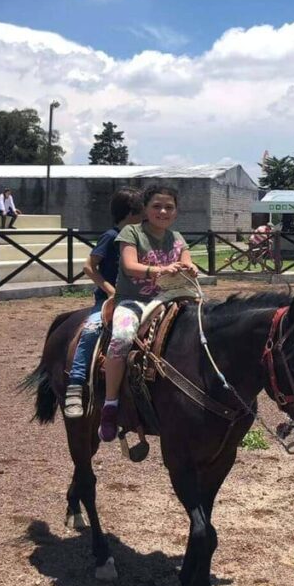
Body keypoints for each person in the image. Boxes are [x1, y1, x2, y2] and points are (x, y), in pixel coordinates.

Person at [98, 184, 200, 443]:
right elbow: (129, 265)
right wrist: (159, 270)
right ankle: (110, 404)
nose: (163, 211)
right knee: (121, 339)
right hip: (133, 300)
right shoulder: (132, 232)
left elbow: (187, 262)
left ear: (176, 212)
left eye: (169, 207)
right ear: (145, 209)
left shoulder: (177, 238)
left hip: (170, 298)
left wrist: (191, 269)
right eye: (156, 206)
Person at [62, 188, 144, 418]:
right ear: (131, 213)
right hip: (109, 301)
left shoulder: (139, 238)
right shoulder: (110, 236)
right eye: (142, 212)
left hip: (137, 298)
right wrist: (109, 290)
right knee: (92, 330)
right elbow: (89, 266)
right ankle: (75, 384)